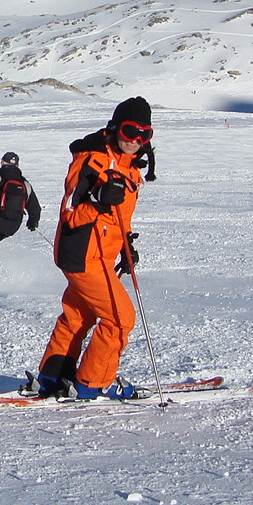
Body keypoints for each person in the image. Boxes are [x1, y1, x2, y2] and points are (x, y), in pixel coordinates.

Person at [26, 97, 156, 400]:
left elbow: (119, 216)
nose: (135, 141)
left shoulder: (129, 167)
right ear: (115, 128)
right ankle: (93, 383)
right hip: (83, 254)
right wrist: (97, 200)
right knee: (120, 319)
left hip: (99, 254)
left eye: (144, 134)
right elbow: (70, 213)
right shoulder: (92, 160)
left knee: (78, 316)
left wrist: (125, 245)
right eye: (129, 131)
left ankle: (52, 377)